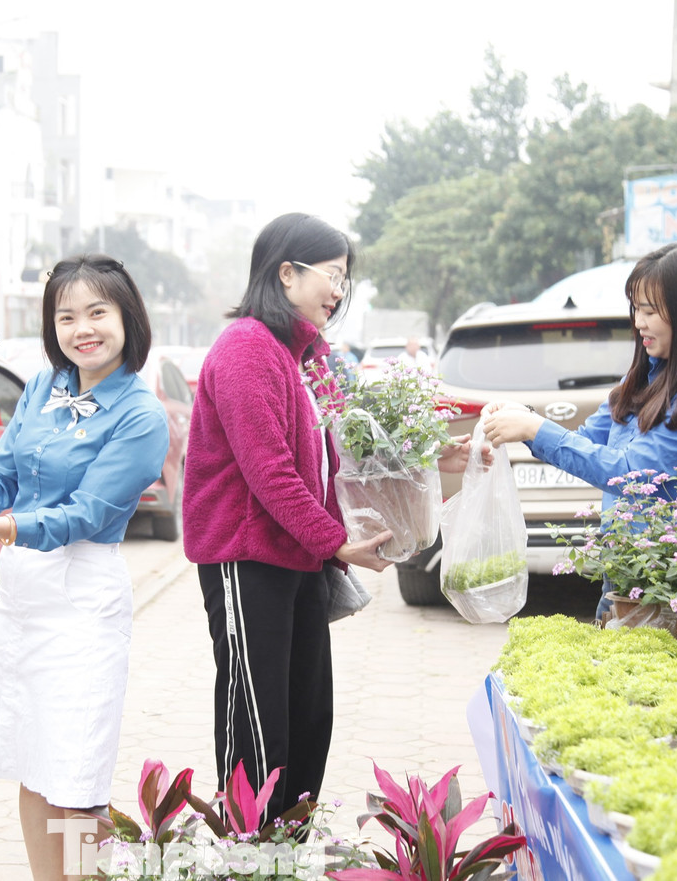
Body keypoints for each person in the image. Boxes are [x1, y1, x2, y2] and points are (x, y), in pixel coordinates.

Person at [182, 213, 475, 826]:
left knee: (308, 716)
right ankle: (247, 853)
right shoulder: (246, 349)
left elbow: (351, 451)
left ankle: (290, 847)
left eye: (345, 279)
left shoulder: (307, 356)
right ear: (287, 273)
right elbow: (269, 473)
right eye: (332, 275)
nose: (338, 291)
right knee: (258, 721)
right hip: (247, 560)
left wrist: (432, 459)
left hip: (299, 559)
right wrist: (337, 542)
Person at [0, 253, 168, 881]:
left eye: (97, 312)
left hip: (83, 600)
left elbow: (84, 514)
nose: (83, 329)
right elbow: (2, 475)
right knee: (34, 763)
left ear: (127, 317)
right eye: (66, 316)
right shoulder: (42, 387)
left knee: (76, 779)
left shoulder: (141, 413)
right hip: (24, 597)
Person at [483, 240, 677, 620]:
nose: (639, 322)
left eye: (650, 311)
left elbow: (630, 473)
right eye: (636, 308)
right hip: (626, 572)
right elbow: (589, 440)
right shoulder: (650, 371)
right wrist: (523, 421)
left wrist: (537, 428)